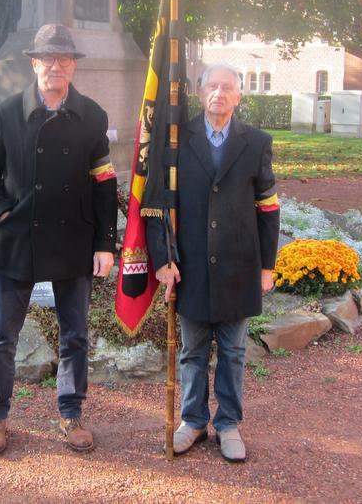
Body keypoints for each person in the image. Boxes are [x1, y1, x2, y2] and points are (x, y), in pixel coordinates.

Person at [0, 23, 118, 456]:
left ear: (73, 66)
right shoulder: (7, 113)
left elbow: (103, 183)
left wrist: (105, 244)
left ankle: (71, 413)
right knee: (3, 335)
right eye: (48, 59)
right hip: (20, 238)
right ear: (34, 63)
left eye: (64, 59)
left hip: (73, 238)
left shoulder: (93, 116)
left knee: (74, 334)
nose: (56, 66)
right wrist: (0, 210)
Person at [147, 63, 280, 463]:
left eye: (228, 88)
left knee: (234, 351)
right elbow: (156, 205)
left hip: (239, 265)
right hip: (191, 266)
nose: (219, 94)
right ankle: (192, 421)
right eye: (211, 86)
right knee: (191, 351)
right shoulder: (175, 140)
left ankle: (228, 424)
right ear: (199, 92)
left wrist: (267, 267)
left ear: (239, 97)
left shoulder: (256, 142)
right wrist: (162, 261)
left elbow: (268, 208)